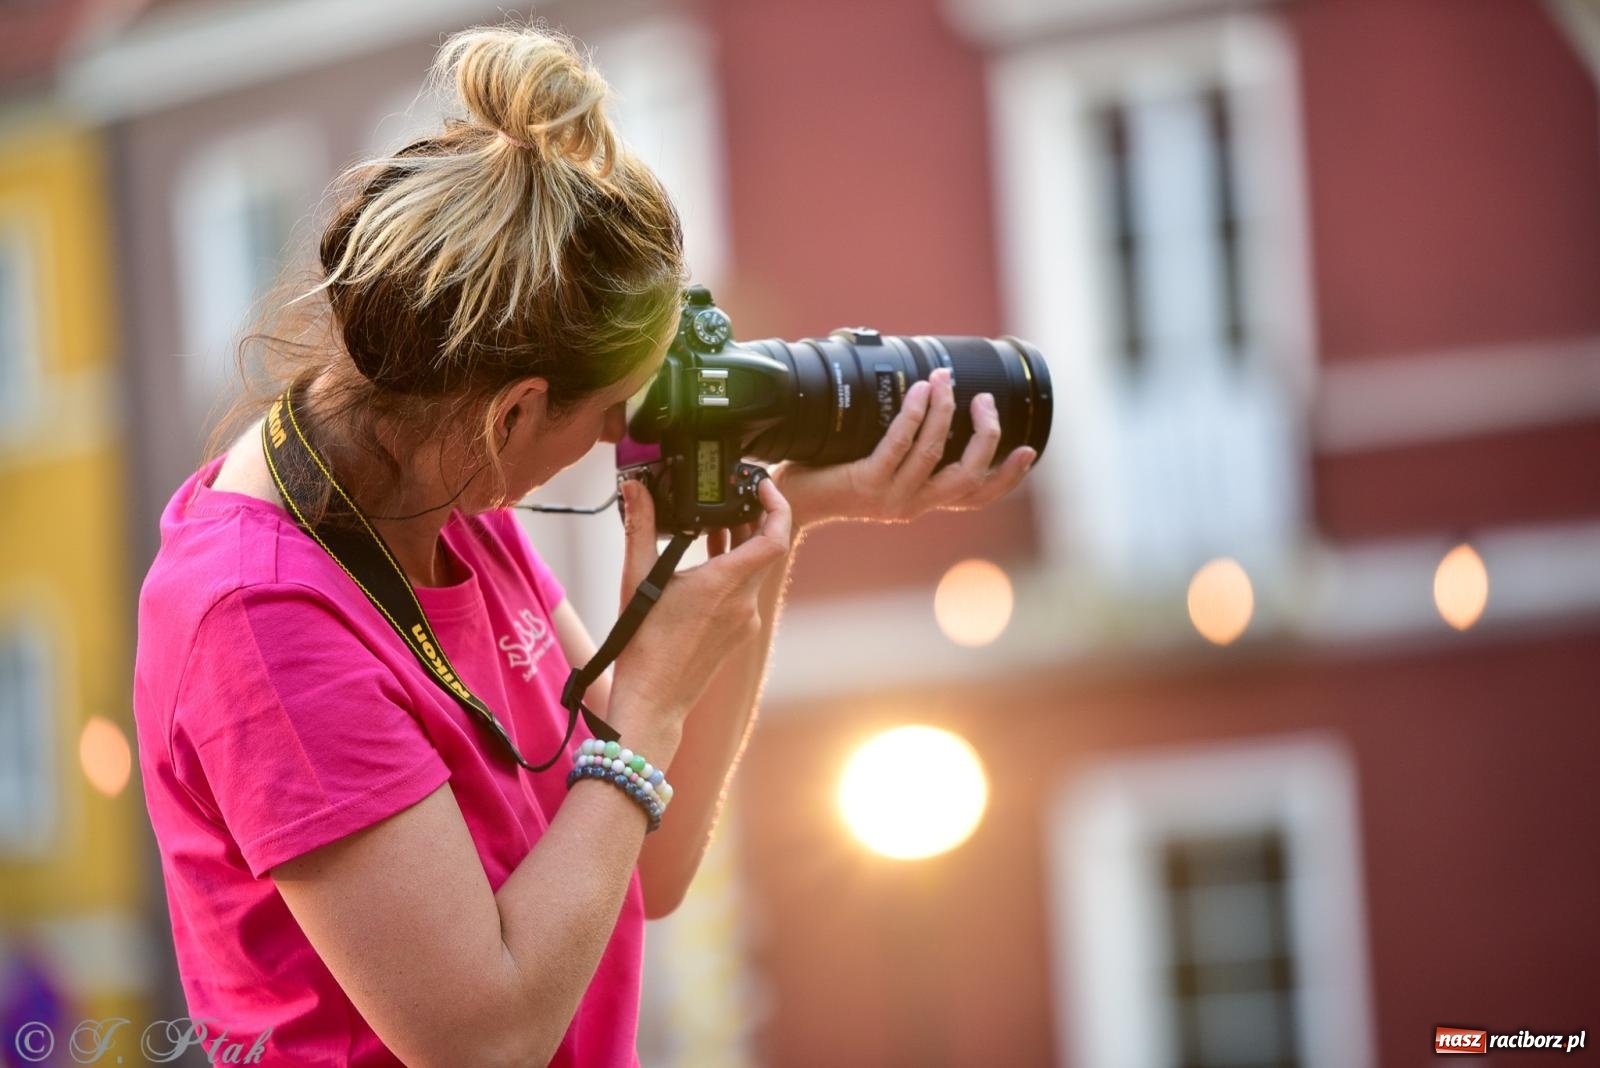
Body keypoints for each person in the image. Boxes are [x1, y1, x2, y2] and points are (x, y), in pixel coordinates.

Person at [131, 21, 1036, 1068]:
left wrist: (775, 532)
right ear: (514, 410)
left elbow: (645, 864)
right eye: (609, 411)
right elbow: (485, 1037)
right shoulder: (264, 619)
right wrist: (643, 703)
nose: (622, 437)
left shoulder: (438, 500)